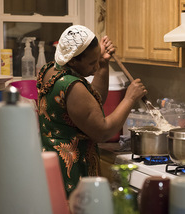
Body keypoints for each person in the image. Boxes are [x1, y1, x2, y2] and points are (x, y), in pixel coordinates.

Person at [36, 25, 147, 197]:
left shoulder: (52, 70)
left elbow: (92, 104)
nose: (94, 68)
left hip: (51, 165)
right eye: (91, 63)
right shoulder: (72, 85)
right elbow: (102, 132)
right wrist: (129, 99)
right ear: (73, 60)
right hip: (71, 172)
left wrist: (103, 64)